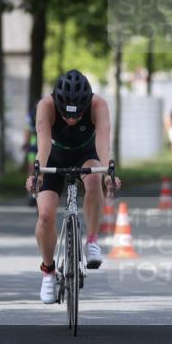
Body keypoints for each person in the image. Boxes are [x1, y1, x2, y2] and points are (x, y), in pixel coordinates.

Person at [25, 70, 121, 304]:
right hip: (54, 158)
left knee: (94, 180)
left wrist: (109, 174)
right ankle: (48, 272)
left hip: (86, 155)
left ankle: (92, 240)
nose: (72, 119)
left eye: (78, 114)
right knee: (46, 215)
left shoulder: (98, 105)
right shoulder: (46, 106)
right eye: (67, 114)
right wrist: (37, 174)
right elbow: (43, 146)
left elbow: (103, 146)